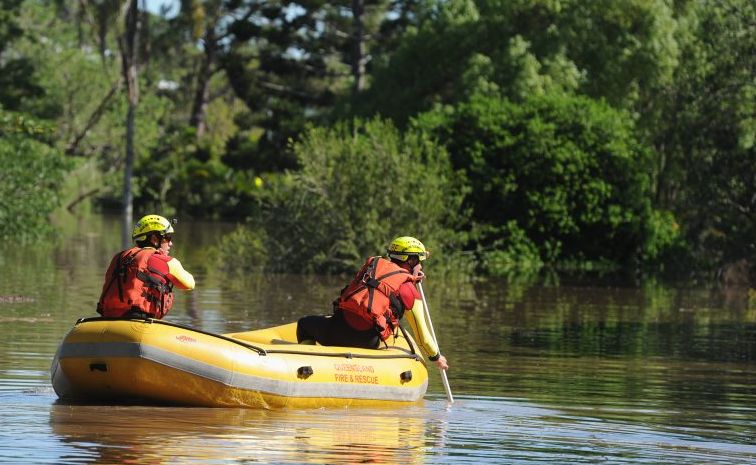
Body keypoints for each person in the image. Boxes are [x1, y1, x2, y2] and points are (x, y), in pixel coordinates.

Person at [297, 236, 449, 371]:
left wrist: (412, 276)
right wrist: (436, 357)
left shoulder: (369, 270)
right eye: (420, 261)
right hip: (367, 342)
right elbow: (422, 338)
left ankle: (308, 364)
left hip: (335, 333)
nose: (421, 266)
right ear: (411, 261)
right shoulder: (409, 290)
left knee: (304, 324)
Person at [97, 214, 195, 319]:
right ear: (154, 239)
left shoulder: (119, 257)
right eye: (167, 238)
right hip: (138, 321)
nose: (171, 243)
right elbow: (190, 284)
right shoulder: (166, 262)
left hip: (106, 320)